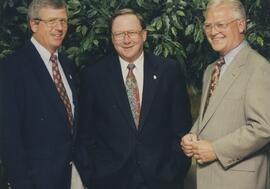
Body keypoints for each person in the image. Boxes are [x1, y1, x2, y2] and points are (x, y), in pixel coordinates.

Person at [77, 8, 192, 189]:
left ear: (144, 35)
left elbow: (181, 128)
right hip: (110, 182)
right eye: (119, 34)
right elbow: (84, 135)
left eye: (131, 33)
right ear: (112, 38)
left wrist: (174, 172)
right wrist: (92, 177)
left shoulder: (169, 71)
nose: (126, 39)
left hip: (162, 181)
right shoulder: (93, 76)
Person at [181, 0, 270, 189]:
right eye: (208, 26)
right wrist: (193, 135)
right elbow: (211, 115)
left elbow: (263, 127)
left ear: (241, 25)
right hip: (209, 179)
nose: (213, 32)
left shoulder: (259, 68)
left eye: (220, 25)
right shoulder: (210, 70)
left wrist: (216, 149)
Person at [0, 0, 84, 188]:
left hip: (73, 177)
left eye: (63, 21)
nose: (60, 27)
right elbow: (9, 138)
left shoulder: (66, 64)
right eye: (52, 21)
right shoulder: (12, 69)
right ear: (34, 24)